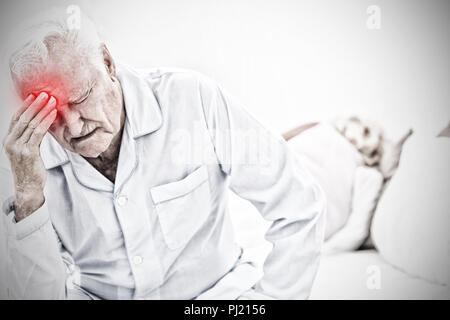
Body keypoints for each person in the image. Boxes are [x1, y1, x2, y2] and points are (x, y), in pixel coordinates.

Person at [1, 9, 326, 300]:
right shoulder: (24, 162)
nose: (72, 127)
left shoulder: (193, 99)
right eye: (49, 111)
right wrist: (29, 198)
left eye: (82, 95)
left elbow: (299, 205)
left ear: (108, 63)